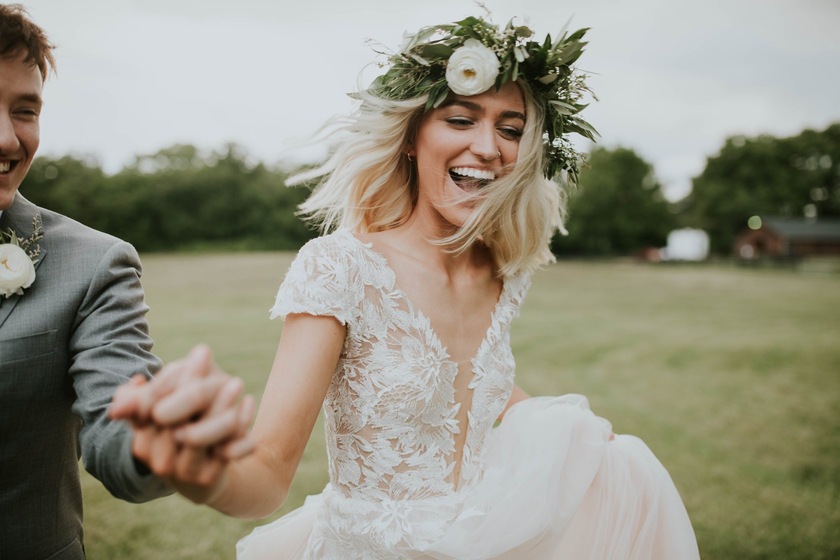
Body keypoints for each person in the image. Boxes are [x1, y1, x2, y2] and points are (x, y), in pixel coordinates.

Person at [113, 13, 701, 559]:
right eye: (461, 118)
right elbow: (267, 475)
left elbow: (464, 381)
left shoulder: (504, 272)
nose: (489, 147)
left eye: (511, 127)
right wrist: (206, 471)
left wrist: (571, 433)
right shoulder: (340, 268)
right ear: (412, 136)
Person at [0, 5, 254, 558]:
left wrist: (157, 439)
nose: (7, 140)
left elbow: (116, 433)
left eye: (24, 110)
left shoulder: (93, 265)